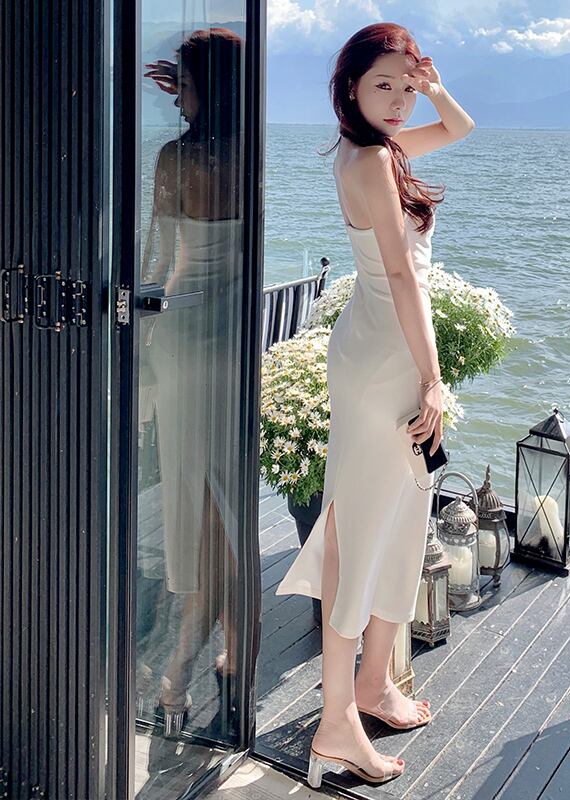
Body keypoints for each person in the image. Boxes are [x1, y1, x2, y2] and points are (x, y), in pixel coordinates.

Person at [275, 22, 475, 787]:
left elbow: (458, 128)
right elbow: (401, 276)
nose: (397, 100)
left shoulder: (382, 148)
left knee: (404, 517)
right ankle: (335, 723)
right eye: (381, 85)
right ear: (349, 88)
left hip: (387, 350)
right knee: (358, 536)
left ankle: (373, 683)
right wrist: (432, 378)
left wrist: (433, 84)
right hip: (382, 362)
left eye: (404, 85)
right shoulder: (367, 160)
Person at [140, 27, 244, 737]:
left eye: (183, 82)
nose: (175, 95)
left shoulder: (177, 158)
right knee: (224, 499)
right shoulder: (247, 155)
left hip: (183, 335)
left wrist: (138, 345)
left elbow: (157, 262)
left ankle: (178, 665)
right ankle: (228, 647)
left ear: (202, 86)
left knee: (189, 500)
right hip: (232, 340)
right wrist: (204, 89)